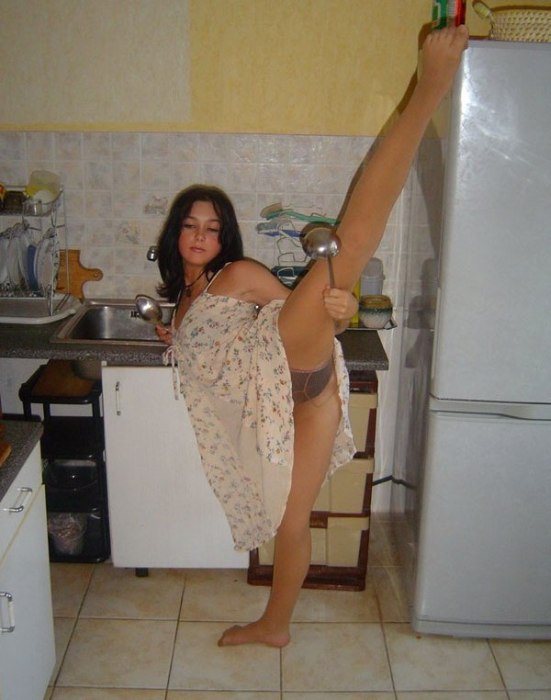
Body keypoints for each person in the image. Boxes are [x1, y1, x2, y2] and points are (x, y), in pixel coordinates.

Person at [155, 25, 469, 648]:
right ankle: (275, 626)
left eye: (212, 228)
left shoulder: (238, 274)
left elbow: (316, 313)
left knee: (347, 250)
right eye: (190, 225)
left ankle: (430, 88)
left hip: (281, 359)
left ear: (225, 241)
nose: (200, 236)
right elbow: (201, 345)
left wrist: (344, 307)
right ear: (174, 235)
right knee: (290, 522)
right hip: (298, 401)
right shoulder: (183, 299)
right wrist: (174, 333)